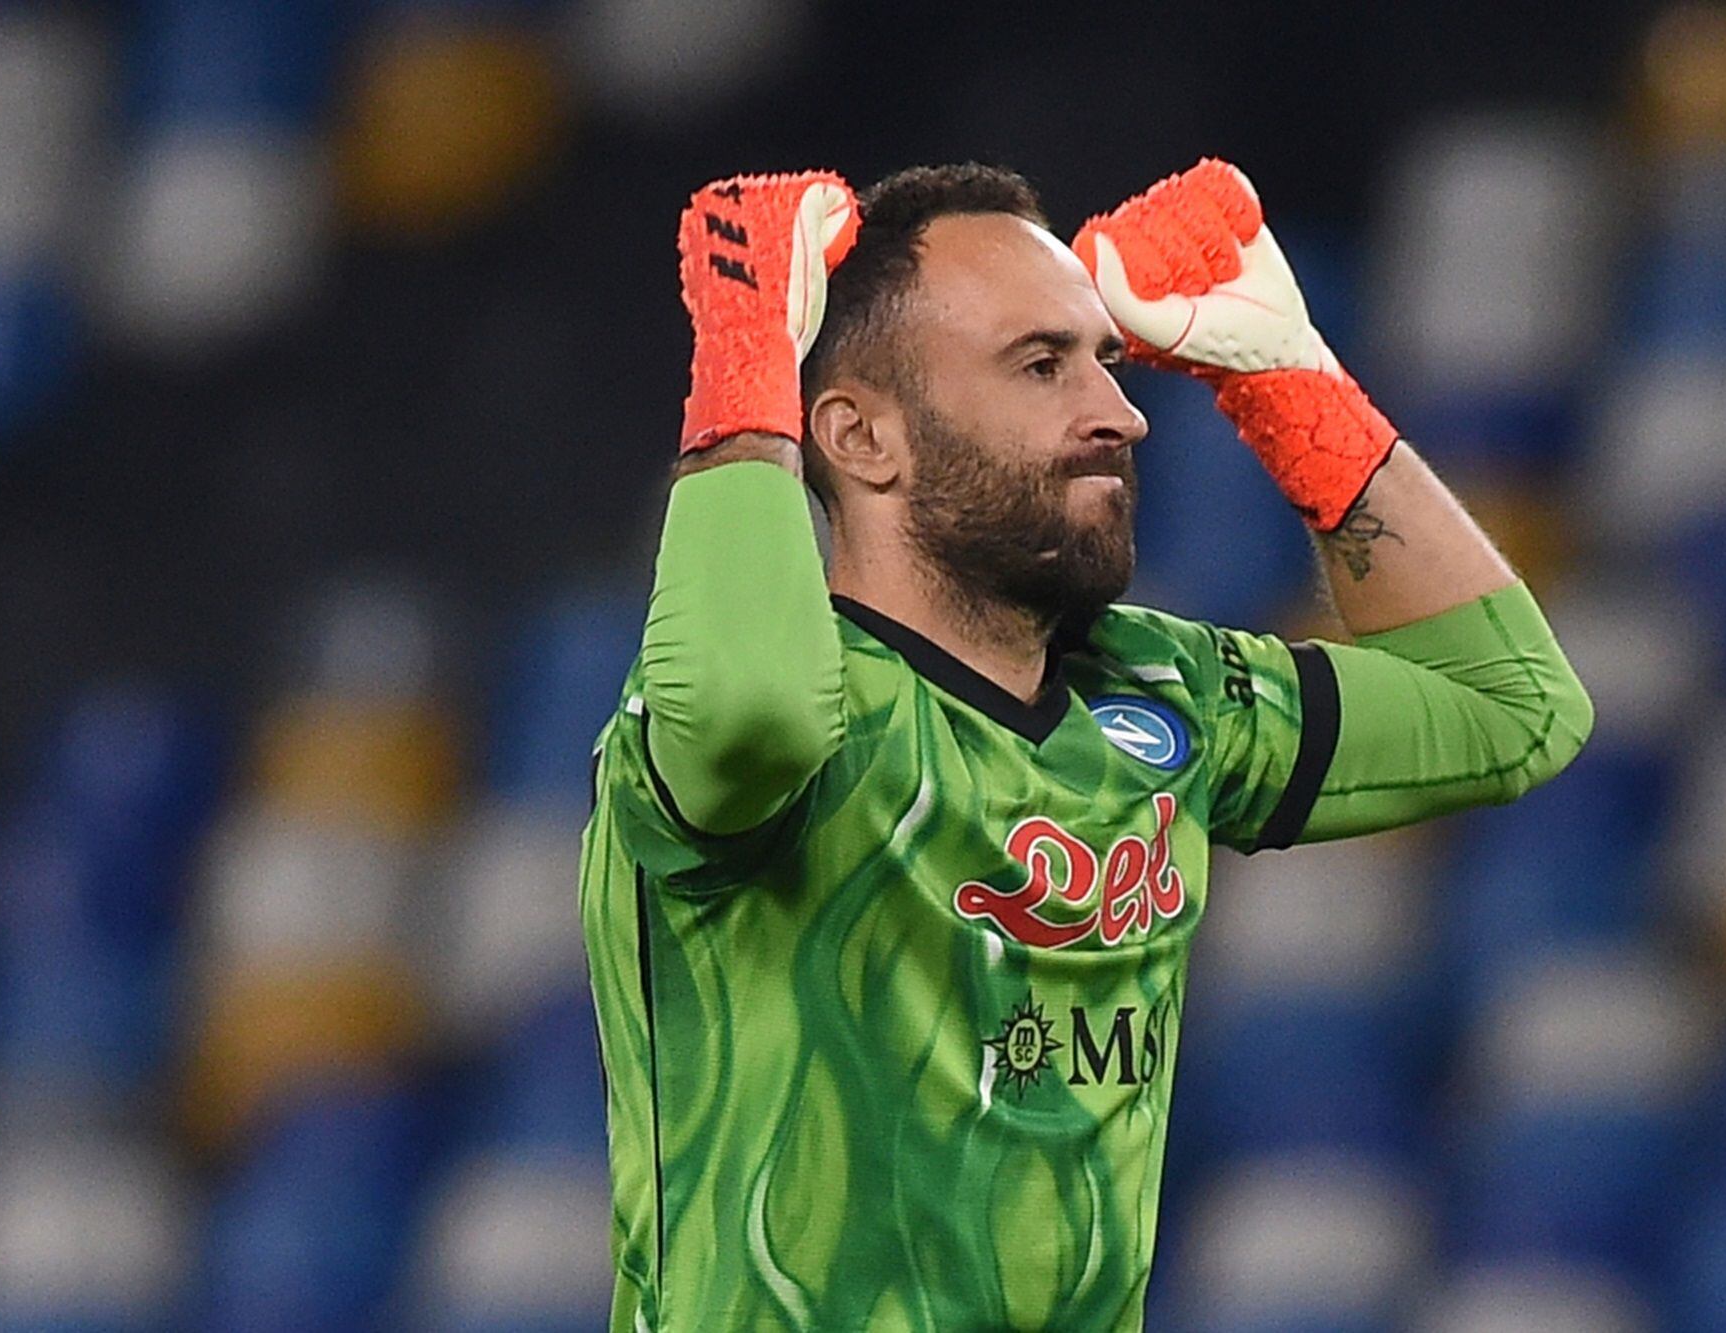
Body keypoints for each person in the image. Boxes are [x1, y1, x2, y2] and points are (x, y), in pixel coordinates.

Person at [578, 159, 1593, 1331]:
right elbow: (749, 710)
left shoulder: (1164, 695)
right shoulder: (771, 720)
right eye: (1040, 364)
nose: (1120, 411)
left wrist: (1288, 386)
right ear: (859, 439)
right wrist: (743, 364)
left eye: (1102, 358)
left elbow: (1512, 704)